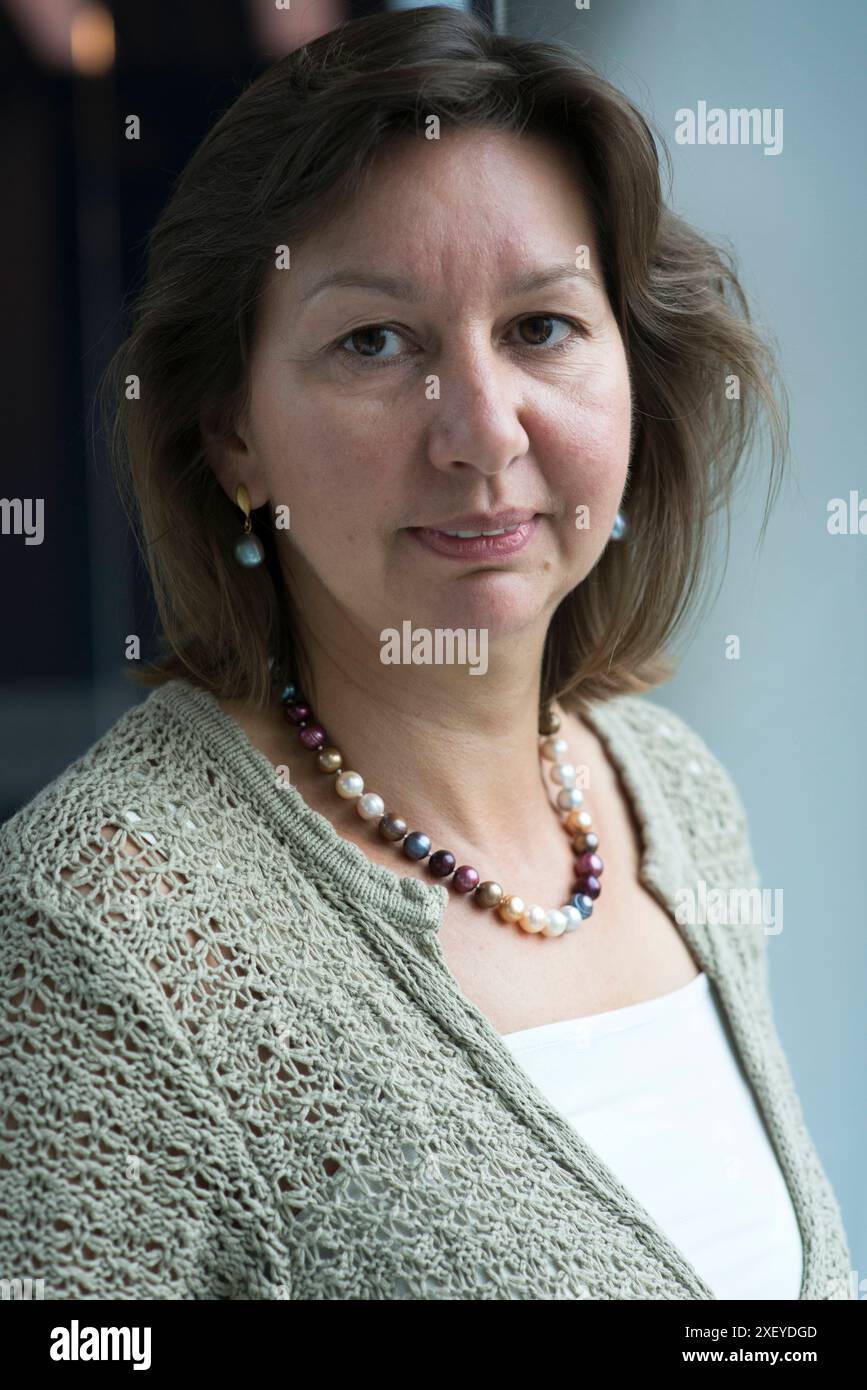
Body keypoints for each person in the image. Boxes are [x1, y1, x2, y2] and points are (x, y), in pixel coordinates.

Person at [0, 6, 852, 1300]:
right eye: (375, 342)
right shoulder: (108, 923)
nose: (480, 434)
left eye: (542, 326)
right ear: (232, 437)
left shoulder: (672, 790)